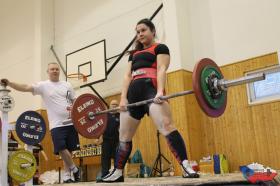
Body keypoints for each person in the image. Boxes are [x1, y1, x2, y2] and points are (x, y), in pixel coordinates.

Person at [101, 18, 199, 183]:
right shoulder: (133, 55)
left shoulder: (160, 47)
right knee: (124, 136)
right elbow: (127, 76)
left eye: (143, 30)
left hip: (151, 91)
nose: (140, 34)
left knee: (167, 126)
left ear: (153, 31)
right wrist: (123, 99)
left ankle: (185, 166)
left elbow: (161, 69)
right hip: (132, 95)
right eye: (137, 32)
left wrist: (160, 91)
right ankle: (118, 172)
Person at [1, 63, 81, 183]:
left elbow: (75, 101)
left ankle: (67, 176)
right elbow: (26, 87)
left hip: (70, 122)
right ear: (47, 72)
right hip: (56, 124)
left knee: (69, 150)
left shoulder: (67, 85)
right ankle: (75, 169)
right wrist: (10, 83)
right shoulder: (44, 85)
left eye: (57, 69)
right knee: (61, 148)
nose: (55, 71)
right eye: (52, 69)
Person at [99, 100, 120, 178]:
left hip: (116, 141)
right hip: (106, 140)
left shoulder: (120, 115)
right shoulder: (104, 115)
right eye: (113, 104)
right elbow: (99, 127)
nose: (114, 106)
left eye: (116, 104)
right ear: (110, 106)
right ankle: (104, 174)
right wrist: (98, 137)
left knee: (117, 158)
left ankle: (116, 174)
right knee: (105, 158)